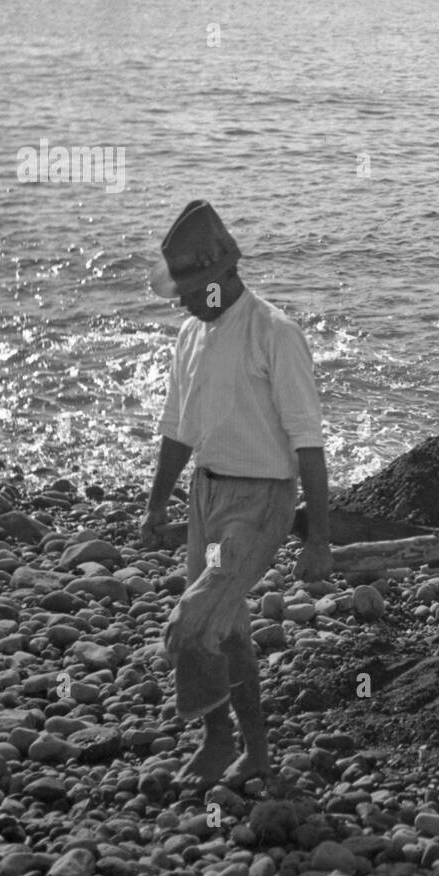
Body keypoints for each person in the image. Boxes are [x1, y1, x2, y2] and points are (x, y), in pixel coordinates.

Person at [140, 200, 333, 788]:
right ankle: (254, 751)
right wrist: (156, 503)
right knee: (227, 627)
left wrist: (319, 536)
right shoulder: (191, 336)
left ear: (223, 274)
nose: (186, 302)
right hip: (207, 497)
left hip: (260, 504)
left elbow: (308, 442)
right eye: (181, 293)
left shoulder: (273, 333)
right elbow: (178, 427)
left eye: (193, 290)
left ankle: (219, 740)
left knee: (190, 624)